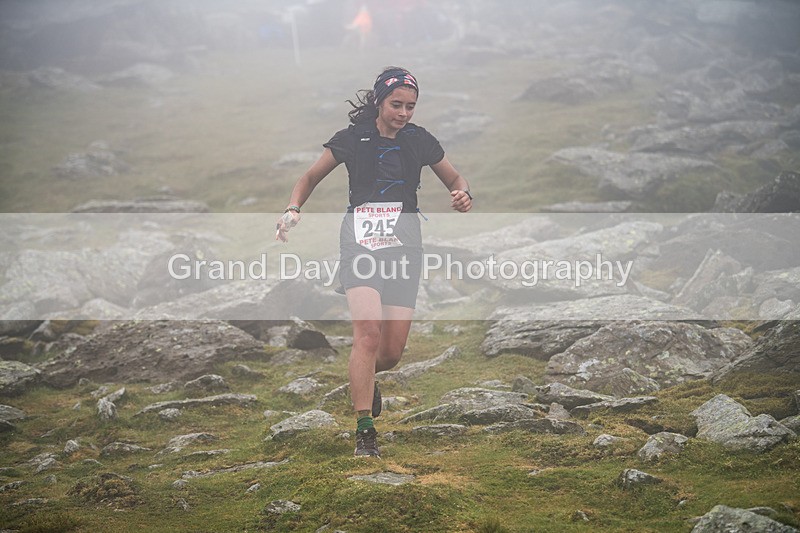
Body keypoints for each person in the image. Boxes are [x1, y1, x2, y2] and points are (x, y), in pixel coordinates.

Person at [276, 66, 472, 457]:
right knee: (367, 334)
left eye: (410, 107)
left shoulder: (420, 141)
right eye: (396, 104)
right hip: (360, 243)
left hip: (405, 246)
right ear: (379, 102)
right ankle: (365, 432)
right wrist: (293, 209)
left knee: (391, 353)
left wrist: (463, 195)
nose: (403, 113)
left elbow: (455, 179)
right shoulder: (352, 138)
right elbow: (310, 177)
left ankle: (364, 378)